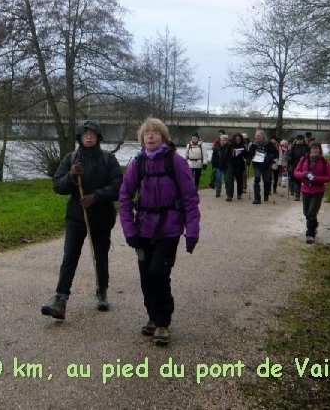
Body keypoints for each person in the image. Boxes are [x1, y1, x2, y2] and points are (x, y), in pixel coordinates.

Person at [118, 118, 200, 346]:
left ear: (163, 136)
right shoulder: (137, 164)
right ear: (142, 138)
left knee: (158, 273)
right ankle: (153, 316)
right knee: (146, 276)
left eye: (155, 132)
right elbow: (124, 197)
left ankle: (163, 322)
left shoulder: (176, 162)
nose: (150, 136)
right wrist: (129, 230)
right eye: (146, 133)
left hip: (169, 229)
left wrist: (192, 231)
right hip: (143, 229)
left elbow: (190, 198)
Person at [41, 121, 122, 320]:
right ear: (79, 137)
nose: (89, 136)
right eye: (85, 134)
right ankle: (60, 299)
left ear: (99, 137)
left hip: (102, 216)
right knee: (70, 256)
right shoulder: (71, 159)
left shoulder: (108, 159)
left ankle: (101, 291)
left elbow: (119, 185)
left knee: (100, 255)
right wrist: (70, 177)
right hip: (76, 217)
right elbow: (57, 186)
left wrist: (97, 196)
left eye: (93, 134)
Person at [293, 142, 330, 244]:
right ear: (310, 150)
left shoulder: (324, 162)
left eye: (317, 149)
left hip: (318, 190)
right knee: (306, 212)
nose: (315, 150)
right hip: (305, 189)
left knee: (312, 212)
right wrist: (303, 174)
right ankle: (314, 227)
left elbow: (329, 177)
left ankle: (310, 234)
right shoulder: (304, 159)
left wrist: (317, 179)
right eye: (313, 149)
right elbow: (296, 172)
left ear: (320, 150)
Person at [246, 130, 275, 204]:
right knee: (256, 180)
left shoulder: (269, 144)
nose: (256, 137)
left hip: (266, 165)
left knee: (266, 181)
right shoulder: (253, 144)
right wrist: (248, 160)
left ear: (262, 136)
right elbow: (250, 153)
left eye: (258, 136)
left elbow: (275, 153)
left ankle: (266, 195)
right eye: (256, 136)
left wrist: (269, 157)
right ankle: (257, 198)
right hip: (257, 165)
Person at [287, 134, 310, 201]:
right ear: (296, 140)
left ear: (303, 140)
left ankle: (304, 194)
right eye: (298, 140)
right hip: (295, 166)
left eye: (301, 140)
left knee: (304, 180)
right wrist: (289, 160)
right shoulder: (293, 147)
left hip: (304, 165)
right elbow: (290, 155)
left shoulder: (306, 147)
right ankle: (297, 195)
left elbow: (309, 155)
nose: (300, 141)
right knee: (296, 180)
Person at [211, 134, 233, 200]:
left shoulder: (230, 147)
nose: (223, 141)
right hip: (218, 165)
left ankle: (228, 194)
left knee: (227, 180)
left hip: (226, 165)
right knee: (218, 179)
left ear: (227, 140)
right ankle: (218, 192)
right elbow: (214, 157)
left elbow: (231, 157)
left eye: (225, 140)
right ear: (220, 140)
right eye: (222, 140)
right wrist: (214, 165)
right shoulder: (217, 147)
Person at [228, 133, 248, 200]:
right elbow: (227, 155)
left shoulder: (243, 146)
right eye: (236, 139)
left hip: (240, 165)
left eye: (239, 139)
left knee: (239, 180)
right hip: (232, 165)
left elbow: (246, 156)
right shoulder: (230, 146)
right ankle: (230, 195)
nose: (237, 140)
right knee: (230, 180)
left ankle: (239, 194)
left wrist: (245, 152)